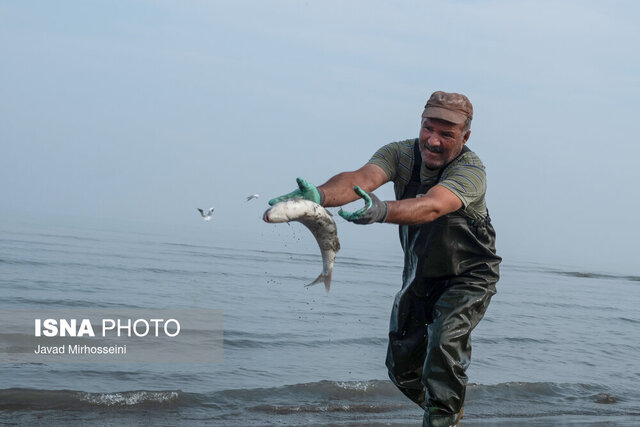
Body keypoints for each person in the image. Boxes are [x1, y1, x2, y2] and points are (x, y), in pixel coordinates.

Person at [269, 91, 501, 427]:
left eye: (446, 134)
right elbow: (360, 180)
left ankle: (443, 418)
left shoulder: (471, 171)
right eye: (427, 128)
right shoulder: (401, 153)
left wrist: (382, 211)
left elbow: (433, 205)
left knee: (444, 341)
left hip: (469, 276)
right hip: (420, 274)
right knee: (401, 369)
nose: (432, 141)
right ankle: (445, 408)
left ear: (465, 137)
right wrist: (318, 196)